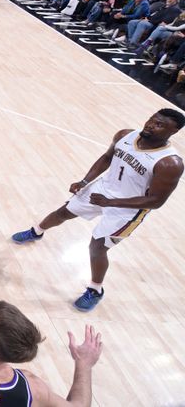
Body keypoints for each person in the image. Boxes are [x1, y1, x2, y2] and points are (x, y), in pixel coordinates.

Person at [13, 109, 184, 311]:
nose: (150, 125)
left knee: (97, 247)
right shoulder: (125, 135)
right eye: (152, 120)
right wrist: (84, 181)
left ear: (173, 131)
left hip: (129, 209)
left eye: (159, 125)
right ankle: (36, 231)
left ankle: (95, 290)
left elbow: (155, 201)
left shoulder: (170, 163)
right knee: (63, 212)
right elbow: (106, 158)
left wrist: (110, 203)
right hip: (103, 189)